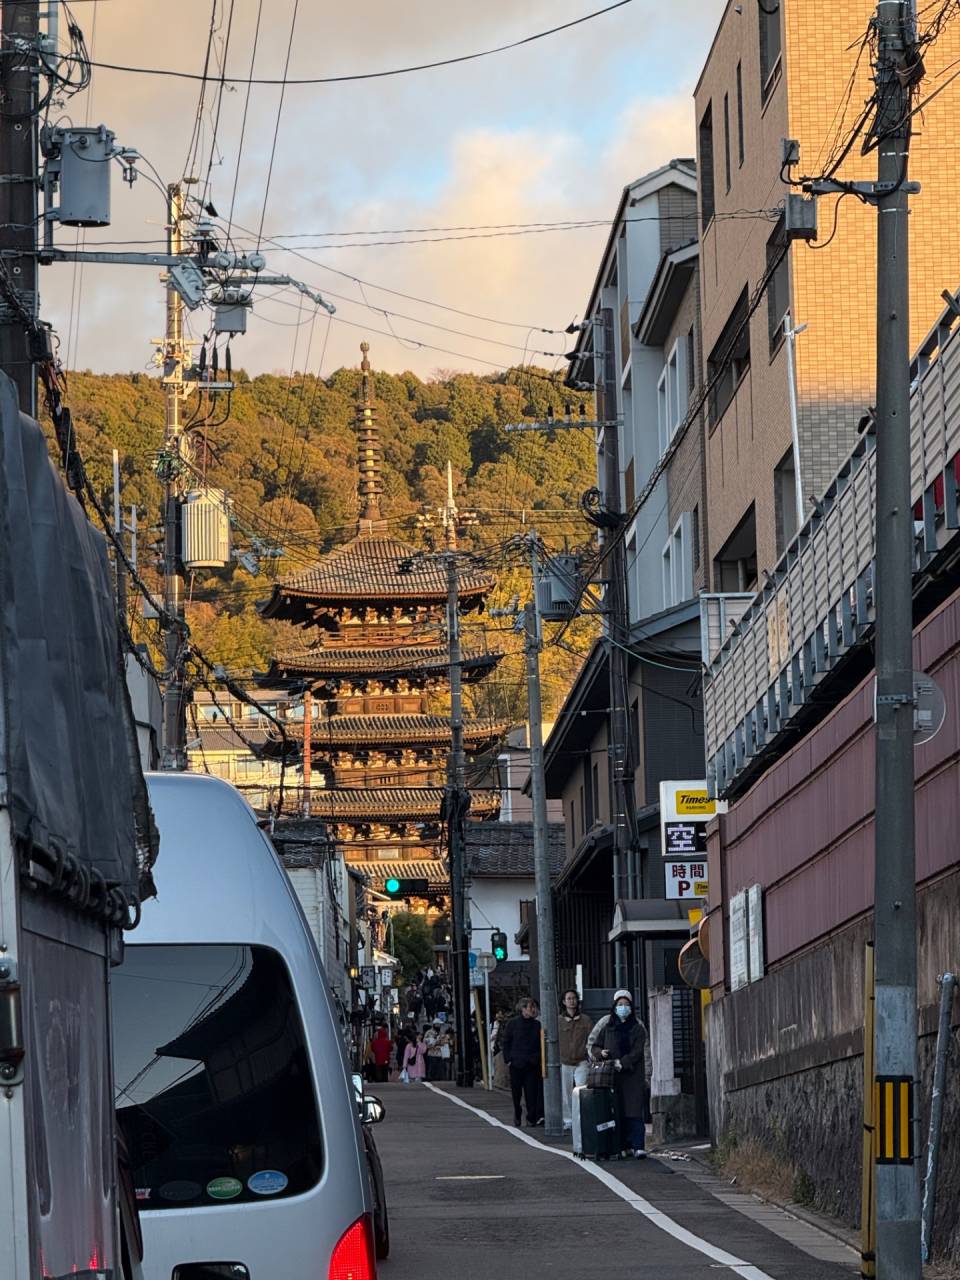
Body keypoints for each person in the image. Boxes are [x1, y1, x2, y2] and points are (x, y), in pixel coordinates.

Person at [587, 989, 652, 1158]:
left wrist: (622, 1063)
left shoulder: (637, 1027)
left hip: (632, 1076)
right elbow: (594, 1045)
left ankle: (638, 1145)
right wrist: (599, 1053)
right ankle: (623, 1146)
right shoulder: (607, 1026)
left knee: (634, 1111)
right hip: (611, 1076)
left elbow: (638, 1051)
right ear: (614, 1007)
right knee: (618, 1111)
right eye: (620, 1005)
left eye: (626, 1005)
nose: (623, 1008)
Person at [501, 998, 543, 1127]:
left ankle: (531, 1116)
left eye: (534, 1007)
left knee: (531, 1092)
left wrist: (537, 1059)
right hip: (516, 1063)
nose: (533, 1010)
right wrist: (508, 1060)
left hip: (531, 1063)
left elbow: (540, 1044)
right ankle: (517, 1111)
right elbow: (506, 1042)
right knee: (516, 1092)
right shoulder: (512, 1024)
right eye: (530, 1007)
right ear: (523, 1009)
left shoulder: (537, 1025)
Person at [558, 989, 593, 1132]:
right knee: (566, 1093)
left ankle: (581, 1119)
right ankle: (568, 1120)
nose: (572, 1001)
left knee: (581, 1091)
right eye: (569, 998)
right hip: (564, 1061)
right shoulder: (559, 1020)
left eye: (574, 998)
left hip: (582, 1061)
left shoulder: (586, 1020)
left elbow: (591, 1039)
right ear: (564, 1002)